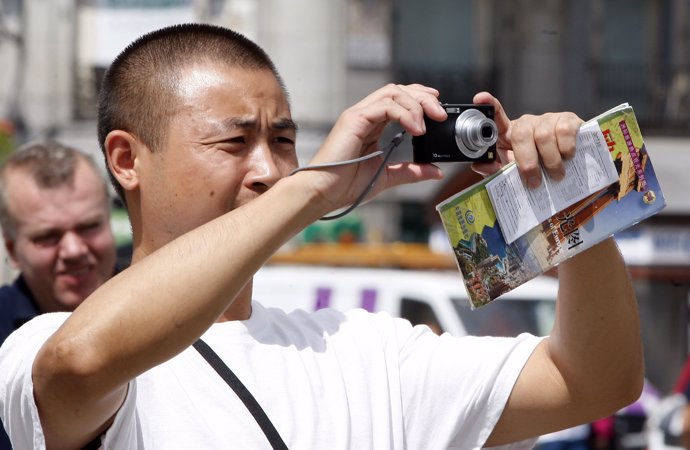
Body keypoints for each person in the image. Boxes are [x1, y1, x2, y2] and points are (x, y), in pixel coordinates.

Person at [0, 23, 643, 449]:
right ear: (126, 159)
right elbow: (81, 364)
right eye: (233, 141)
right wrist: (311, 190)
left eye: (283, 141)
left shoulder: (363, 349)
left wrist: (568, 196)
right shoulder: (39, 342)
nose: (267, 168)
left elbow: (594, 381)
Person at [0, 140, 117, 449]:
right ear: (12, 249)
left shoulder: (166, 309)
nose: (74, 250)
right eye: (48, 237)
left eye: (89, 226)